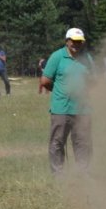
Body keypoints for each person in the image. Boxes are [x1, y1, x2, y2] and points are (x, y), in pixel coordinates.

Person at [39, 28, 94, 176]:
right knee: (57, 143)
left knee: (83, 143)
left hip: (83, 109)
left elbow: (93, 81)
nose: (76, 44)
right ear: (67, 41)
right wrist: (59, 92)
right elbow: (45, 81)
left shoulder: (87, 58)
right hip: (61, 108)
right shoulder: (57, 57)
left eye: (79, 42)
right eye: (74, 41)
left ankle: (84, 174)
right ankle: (58, 176)